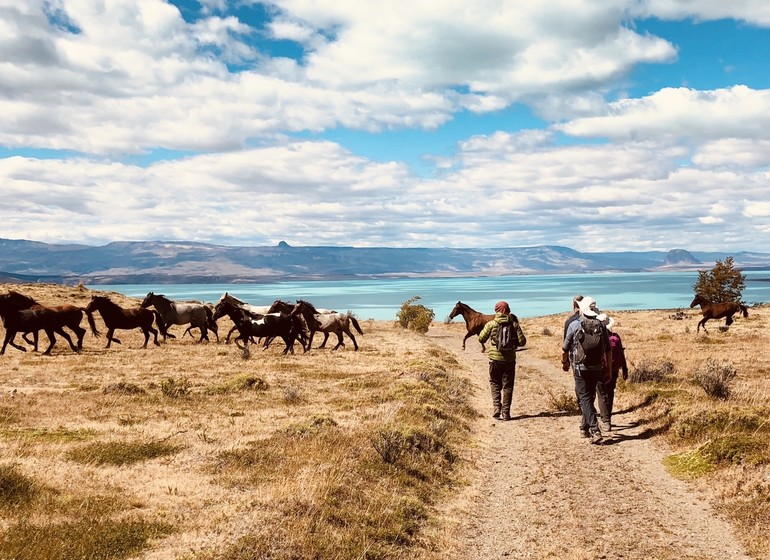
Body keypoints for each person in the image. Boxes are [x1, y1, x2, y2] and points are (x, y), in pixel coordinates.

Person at [562, 296, 612, 443]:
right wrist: (608, 369)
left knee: (584, 398)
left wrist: (564, 362)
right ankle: (584, 428)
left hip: (580, 367)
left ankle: (595, 430)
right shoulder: (602, 326)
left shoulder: (574, 325)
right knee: (589, 397)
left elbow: (565, 347)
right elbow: (608, 350)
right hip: (597, 367)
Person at [478, 301, 527, 421]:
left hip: (494, 360)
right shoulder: (514, 324)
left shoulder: (491, 324)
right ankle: (506, 413)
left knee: (495, 383)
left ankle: (496, 408)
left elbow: (481, 338)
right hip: (509, 360)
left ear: (496, 310)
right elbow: (522, 342)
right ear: (507, 310)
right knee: (508, 386)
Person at [595, 317, 628, 432]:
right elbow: (622, 354)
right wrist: (625, 369)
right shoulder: (616, 337)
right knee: (610, 393)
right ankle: (608, 417)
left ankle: (606, 420)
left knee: (602, 394)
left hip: (599, 370)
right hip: (614, 370)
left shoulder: (597, 337)